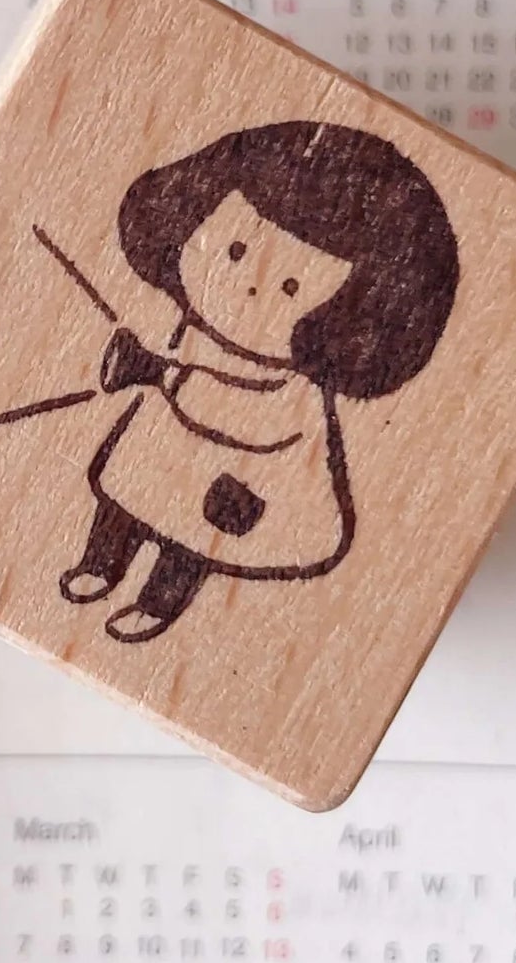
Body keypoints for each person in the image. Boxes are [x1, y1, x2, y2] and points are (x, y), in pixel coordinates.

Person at [61, 121, 460, 643]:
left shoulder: (293, 386)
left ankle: (157, 603)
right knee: (122, 500)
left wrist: (167, 375)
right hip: (164, 447)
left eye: (292, 286)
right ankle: (101, 565)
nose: (250, 286)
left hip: (230, 476)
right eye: (234, 252)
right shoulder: (192, 330)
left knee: (187, 542)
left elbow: (256, 421)